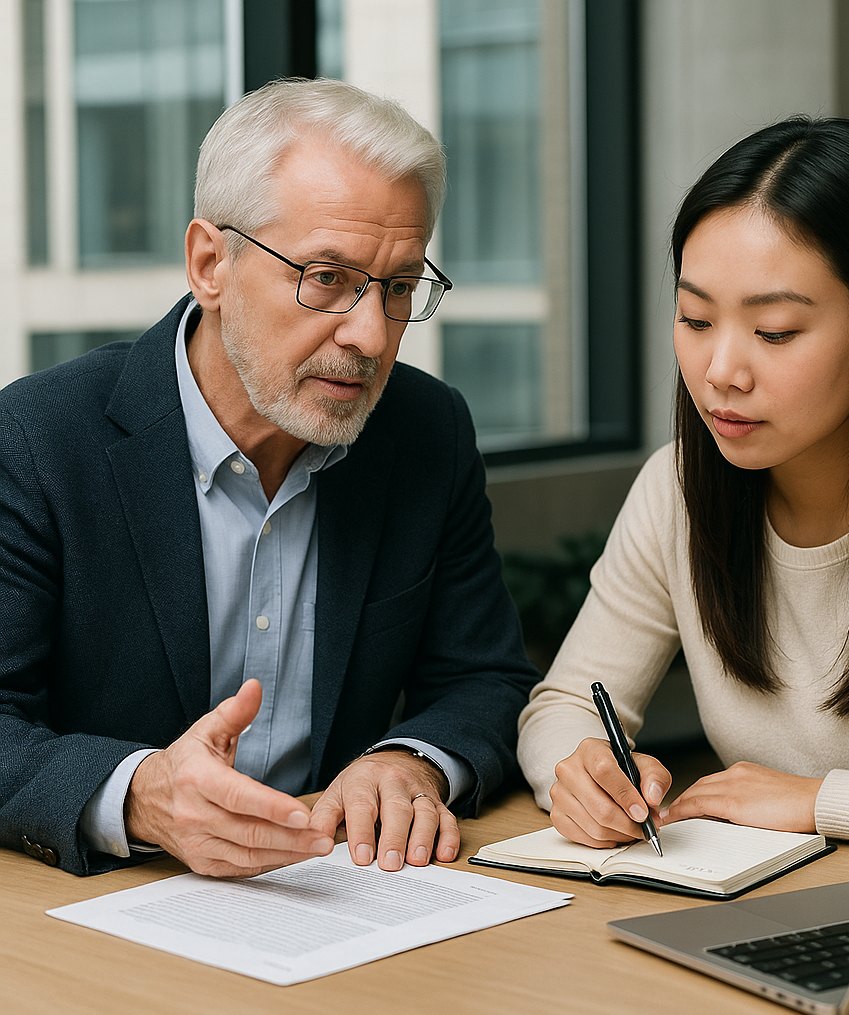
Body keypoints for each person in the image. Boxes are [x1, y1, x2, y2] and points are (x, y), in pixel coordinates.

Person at [0, 78, 539, 878]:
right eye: (326, 278)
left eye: (397, 289)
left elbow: (483, 676)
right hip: (107, 911)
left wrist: (410, 761)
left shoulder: (427, 431)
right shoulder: (39, 440)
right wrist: (139, 794)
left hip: (346, 897)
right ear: (210, 264)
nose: (370, 335)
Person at [518, 116, 849, 852]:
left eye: (775, 331)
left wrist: (821, 801)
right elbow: (564, 703)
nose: (721, 370)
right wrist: (582, 772)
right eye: (694, 318)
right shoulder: (679, 491)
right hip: (761, 909)